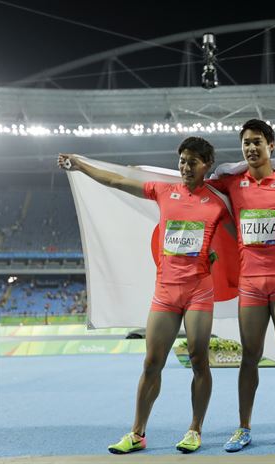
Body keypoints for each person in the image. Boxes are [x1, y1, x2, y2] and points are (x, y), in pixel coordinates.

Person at [57, 136, 235, 454]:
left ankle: (195, 429)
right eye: (181, 161)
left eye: (192, 162)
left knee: (198, 360)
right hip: (166, 292)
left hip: (198, 292)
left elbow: (241, 238)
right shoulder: (163, 191)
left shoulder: (218, 203)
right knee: (152, 362)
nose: (184, 167)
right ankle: (137, 433)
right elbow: (116, 180)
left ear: (206, 165)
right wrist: (82, 165)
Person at [210, 119, 275, 453]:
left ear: (271, 146)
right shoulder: (233, 184)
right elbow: (195, 186)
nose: (251, 148)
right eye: (246, 143)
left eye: (257, 142)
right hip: (250, 282)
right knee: (249, 356)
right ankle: (243, 427)